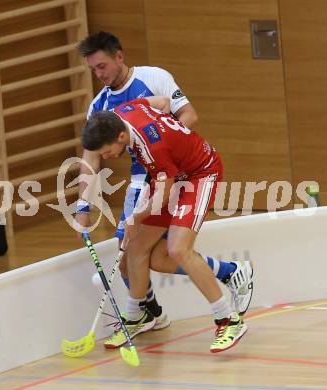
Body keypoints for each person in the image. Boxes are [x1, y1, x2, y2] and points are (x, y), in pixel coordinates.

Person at [75, 31, 253, 336]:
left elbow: (186, 115)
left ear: (119, 56)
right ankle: (145, 314)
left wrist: (166, 141)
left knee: (176, 249)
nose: (98, 74)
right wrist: (82, 204)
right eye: (93, 69)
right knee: (133, 252)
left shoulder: (153, 77)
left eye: (102, 66)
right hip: (150, 175)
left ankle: (226, 310)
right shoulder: (105, 108)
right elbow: (91, 157)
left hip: (177, 171)